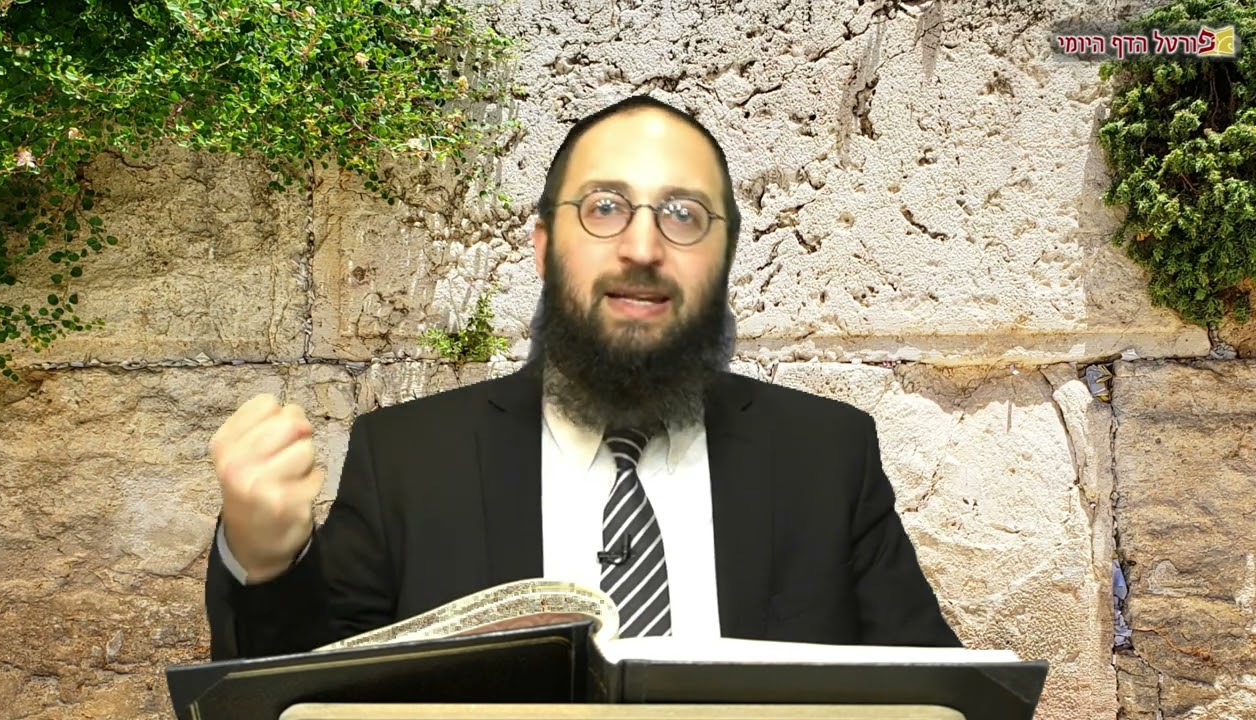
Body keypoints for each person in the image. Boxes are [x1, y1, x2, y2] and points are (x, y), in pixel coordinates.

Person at [205, 94, 961, 660]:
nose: (643, 247)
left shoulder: (827, 456)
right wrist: (265, 563)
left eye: (685, 215)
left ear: (725, 254)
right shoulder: (405, 460)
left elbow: (942, 697)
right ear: (542, 247)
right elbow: (301, 695)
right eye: (604, 207)